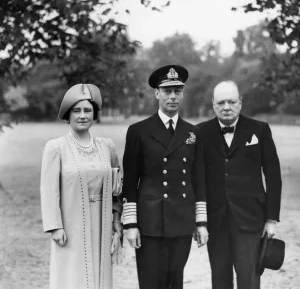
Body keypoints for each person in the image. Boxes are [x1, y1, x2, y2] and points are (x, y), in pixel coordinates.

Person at [122, 65, 208, 289]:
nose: (173, 96)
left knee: (175, 281)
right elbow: (130, 180)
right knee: (151, 282)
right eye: (167, 91)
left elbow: (198, 179)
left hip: (181, 219)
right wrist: (131, 224)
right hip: (150, 222)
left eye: (177, 91)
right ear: (156, 93)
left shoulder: (193, 133)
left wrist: (201, 222)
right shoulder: (138, 131)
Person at [197, 81, 282, 289]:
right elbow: (196, 178)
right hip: (215, 220)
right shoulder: (200, 132)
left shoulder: (259, 130)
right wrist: (199, 220)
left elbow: (273, 176)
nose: (226, 107)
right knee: (220, 280)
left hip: (251, 218)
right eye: (221, 102)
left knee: (249, 280)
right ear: (213, 104)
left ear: (240, 103)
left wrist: (271, 219)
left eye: (231, 101)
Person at [40, 84, 122, 289]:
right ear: (68, 115)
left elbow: (117, 189)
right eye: (76, 110)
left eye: (87, 110)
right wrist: (55, 226)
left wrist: (117, 221)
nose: (82, 115)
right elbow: (49, 190)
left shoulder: (107, 146)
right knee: (72, 275)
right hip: (70, 224)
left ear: (94, 115)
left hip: (102, 223)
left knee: (99, 275)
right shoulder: (56, 147)